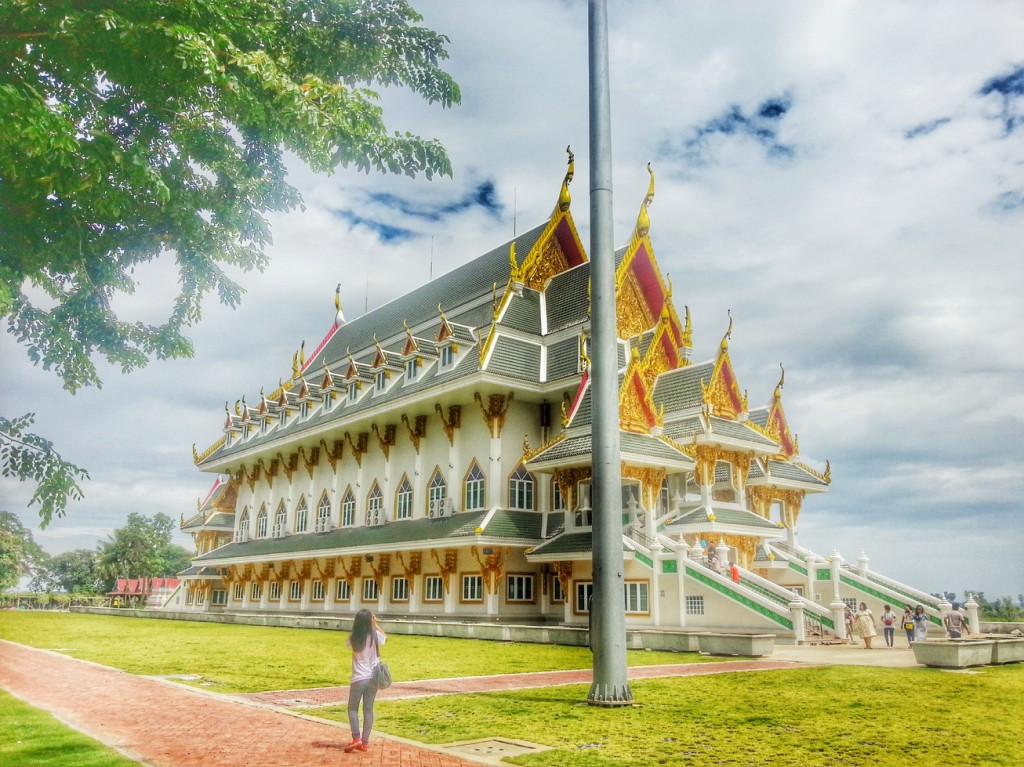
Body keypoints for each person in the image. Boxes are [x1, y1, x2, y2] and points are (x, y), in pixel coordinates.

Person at [344, 609, 387, 753]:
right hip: (373, 679)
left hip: (358, 678)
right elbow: (385, 638)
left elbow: (348, 645)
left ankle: (356, 738)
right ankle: (365, 742)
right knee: (368, 710)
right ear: (369, 621)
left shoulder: (353, 637)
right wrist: (375, 623)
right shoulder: (374, 636)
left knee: (352, 709)